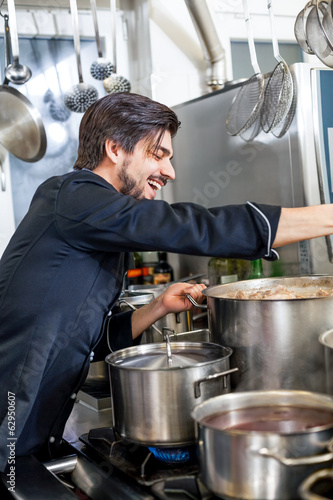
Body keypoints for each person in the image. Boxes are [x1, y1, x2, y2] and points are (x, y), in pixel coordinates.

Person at [0, 92, 333, 473]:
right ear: (115, 149)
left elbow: (87, 342)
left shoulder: (95, 222)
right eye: (158, 154)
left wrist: (158, 307)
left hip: (36, 430)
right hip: (9, 419)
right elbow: (191, 226)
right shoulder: (74, 197)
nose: (170, 171)